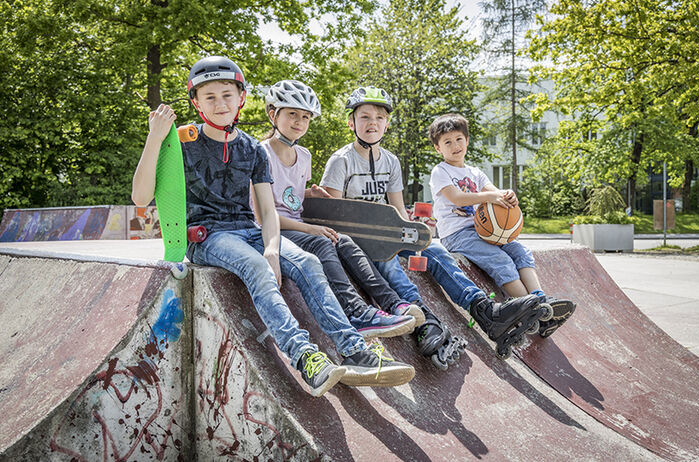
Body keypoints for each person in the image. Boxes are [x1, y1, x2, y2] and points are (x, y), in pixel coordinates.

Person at [131, 57, 413, 398]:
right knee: (255, 267)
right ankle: (306, 356)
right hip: (206, 235)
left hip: (246, 228)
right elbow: (141, 196)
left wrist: (273, 248)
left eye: (227, 95)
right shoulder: (181, 142)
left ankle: (355, 348)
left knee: (309, 262)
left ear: (241, 99)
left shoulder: (251, 148)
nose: (220, 104)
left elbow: (266, 209)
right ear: (196, 102)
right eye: (210, 97)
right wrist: (155, 138)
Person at [320, 86, 547, 365]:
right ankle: (425, 320)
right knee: (389, 263)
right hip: (358, 238)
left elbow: (398, 210)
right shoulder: (340, 160)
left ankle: (484, 311)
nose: (372, 123)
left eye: (379, 118)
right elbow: (334, 216)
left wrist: (416, 232)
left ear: (387, 124)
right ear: (351, 123)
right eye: (364, 117)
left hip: (388, 231)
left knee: (435, 249)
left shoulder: (391, 162)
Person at [257, 80, 424, 342]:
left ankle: (393, 303)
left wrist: (309, 194)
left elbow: (288, 196)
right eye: (292, 114)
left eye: (305, 117)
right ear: (273, 114)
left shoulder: (304, 155)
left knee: (344, 242)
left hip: (296, 226)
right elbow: (264, 214)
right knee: (325, 243)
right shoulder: (260, 154)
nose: (299, 122)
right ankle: (355, 312)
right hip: (274, 231)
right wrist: (310, 228)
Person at [428, 113, 576, 338]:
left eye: (458, 139)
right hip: (457, 234)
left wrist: (507, 195)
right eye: (447, 142)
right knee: (501, 260)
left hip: (482, 231)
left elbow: (493, 191)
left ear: (467, 140)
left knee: (520, 250)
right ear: (438, 149)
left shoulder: (475, 172)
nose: (455, 146)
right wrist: (489, 198)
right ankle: (531, 311)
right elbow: (457, 198)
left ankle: (542, 302)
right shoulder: (441, 172)